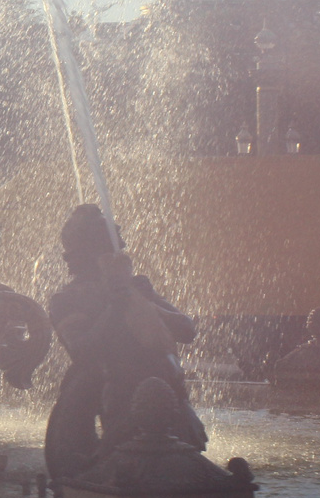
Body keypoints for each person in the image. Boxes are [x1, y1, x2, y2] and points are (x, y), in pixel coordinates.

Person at [44, 204, 207, 482]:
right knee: (113, 477)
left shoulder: (137, 289)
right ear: (85, 252)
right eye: (108, 245)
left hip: (165, 395)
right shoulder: (67, 299)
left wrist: (146, 299)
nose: (121, 250)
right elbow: (82, 350)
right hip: (111, 396)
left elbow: (187, 330)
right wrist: (114, 307)